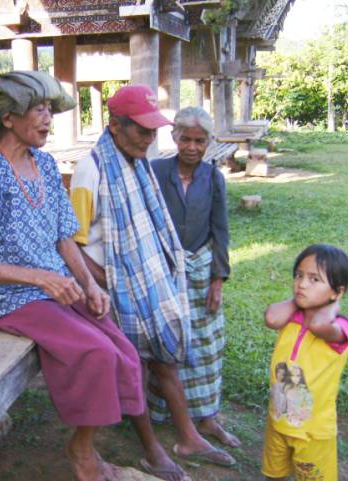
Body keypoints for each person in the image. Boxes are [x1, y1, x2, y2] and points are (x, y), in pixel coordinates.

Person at [0, 71, 145, 481]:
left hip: (52, 286)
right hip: (7, 296)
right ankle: (83, 454)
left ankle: (86, 444)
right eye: (39, 110)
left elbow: (63, 237)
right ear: (8, 118)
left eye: (50, 110)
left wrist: (89, 284)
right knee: (95, 352)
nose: (48, 119)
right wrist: (38, 278)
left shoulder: (46, 165)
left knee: (121, 346)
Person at [70, 85, 235, 479]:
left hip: (146, 283)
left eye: (152, 131)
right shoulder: (90, 169)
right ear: (114, 126)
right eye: (142, 130)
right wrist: (103, 281)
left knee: (165, 361)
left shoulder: (138, 163)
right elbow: (71, 243)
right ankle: (153, 450)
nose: (149, 138)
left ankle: (188, 437)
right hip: (110, 291)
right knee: (134, 368)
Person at [150, 106, 240, 449]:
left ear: (209, 143)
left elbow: (221, 230)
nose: (191, 146)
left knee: (206, 345)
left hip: (202, 270)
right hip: (163, 271)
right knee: (169, 342)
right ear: (173, 138)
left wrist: (218, 279)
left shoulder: (213, 177)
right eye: (185, 138)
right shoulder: (155, 171)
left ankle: (206, 417)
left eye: (199, 140)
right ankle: (169, 414)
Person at [262, 244, 348, 481]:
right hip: (278, 421)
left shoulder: (342, 328)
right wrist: (299, 300)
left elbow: (317, 326)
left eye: (314, 279)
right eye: (298, 276)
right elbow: (272, 317)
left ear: (338, 291)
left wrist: (333, 305)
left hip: (313, 431)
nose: (302, 284)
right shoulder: (291, 317)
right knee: (273, 475)